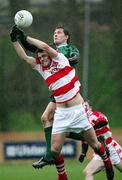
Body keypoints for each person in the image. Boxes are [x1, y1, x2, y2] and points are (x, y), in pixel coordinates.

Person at [10, 26, 114, 180]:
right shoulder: (42, 68)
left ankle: (107, 162)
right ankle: (62, 176)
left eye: (45, 56)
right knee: (54, 151)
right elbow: (24, 57)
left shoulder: (60, 59)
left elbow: (45, 46)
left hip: (78, 110)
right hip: (62, 114)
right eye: (41, 57)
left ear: (51, 56)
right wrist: (14, 40)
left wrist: (25, 37)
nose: (43, 58)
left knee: (96, 144)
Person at [16, 25, 80, 170]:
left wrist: (57, 56)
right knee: (48, 120)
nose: (55, 34)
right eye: (54, 32)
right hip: (57, 92)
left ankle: (50, 155)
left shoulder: (69, 49)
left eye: (58, 32)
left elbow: (74, 58)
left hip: (69, 91)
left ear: (66, 37)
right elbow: (32, 49)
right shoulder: (48, 49)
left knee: (48, 119)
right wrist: (20, 37)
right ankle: (52, 155)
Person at [79, 101, 122, 180]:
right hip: (99, 153)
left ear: (90, 108)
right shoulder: (83, 122)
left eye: (86, 106)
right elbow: (84, 140)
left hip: (111, 148)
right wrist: (83, 153)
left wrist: (91, 129)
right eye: (82, 106)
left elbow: (104, 122)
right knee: (88, 172)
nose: (84, 108)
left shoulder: (95, 115)